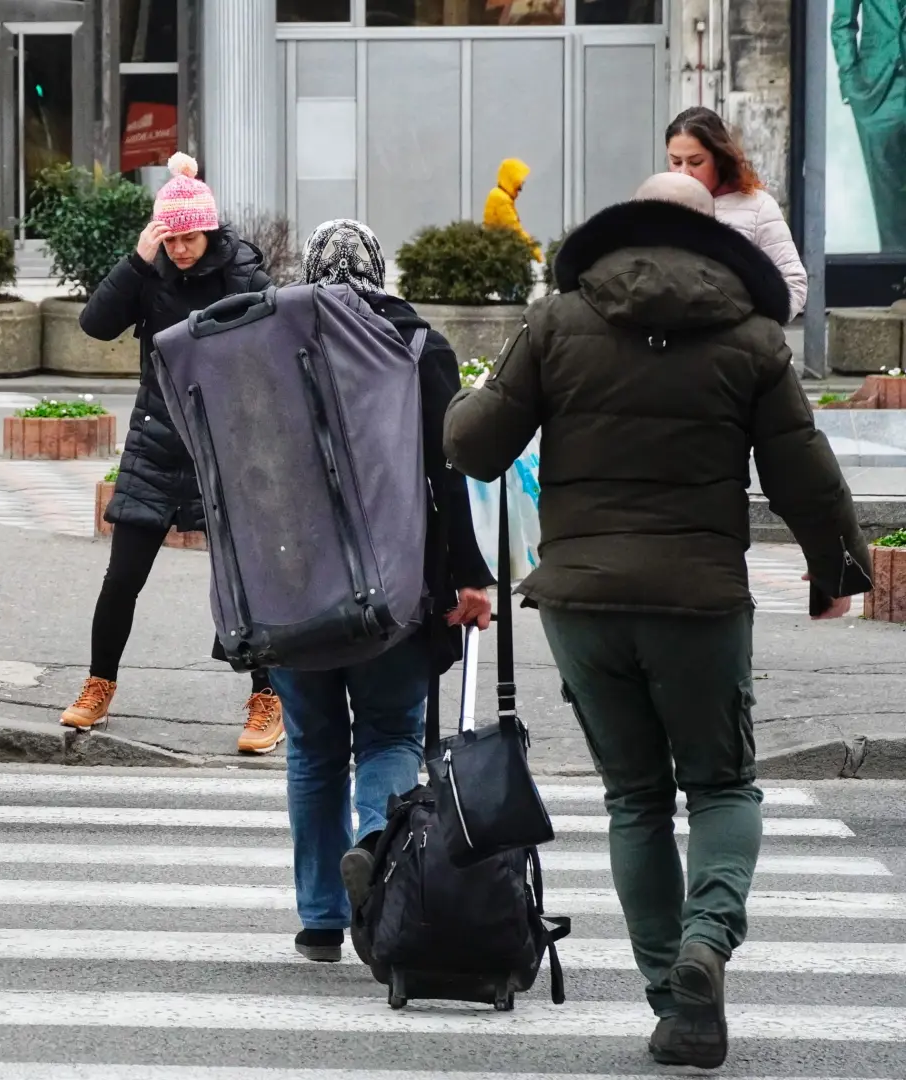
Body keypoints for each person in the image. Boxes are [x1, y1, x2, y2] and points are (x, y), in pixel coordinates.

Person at [443, 171, 872, 1069]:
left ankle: (674, 1004)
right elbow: (805, 467)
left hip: (584, 604)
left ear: (630, 221)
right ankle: (705, 946)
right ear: (713, 234)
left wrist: (462, 402)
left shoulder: (559, 320)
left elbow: (479, 445)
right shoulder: (753, 338)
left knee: (635, 800)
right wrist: (836, 573)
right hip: (700, 602)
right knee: (721, 787)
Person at [273, 219, 496, 963]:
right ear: (379, 269)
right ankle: (380, 848)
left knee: (311, 749)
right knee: (392, 737)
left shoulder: (272, 345)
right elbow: (449, 471)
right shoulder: (418, 346)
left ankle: (318, 922)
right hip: (396, 586)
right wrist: (468, 574)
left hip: (294, 587)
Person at [60, 152, 286, 755]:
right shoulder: (151, 271)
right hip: (157, 440)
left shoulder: (242, 274)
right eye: (172, 237)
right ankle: (98, 684)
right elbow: (95, 324)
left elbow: (281, 347)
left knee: (247, 578)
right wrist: (137, 260)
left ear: (208, 230)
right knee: (123, 575)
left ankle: (269, 697)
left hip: (227, 449)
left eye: (189, 237)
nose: (181, 249)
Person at [665, 107, 808, 320]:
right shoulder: (656, 202)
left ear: (719, 159)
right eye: (676, 162)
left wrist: (753, 332)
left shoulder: (757, 206)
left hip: (737, 347)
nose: (684, 172)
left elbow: (793, 283)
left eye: (695, 162)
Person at [833, 0, 906, 251]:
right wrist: (850, 81)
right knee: (888, 201)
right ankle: (897, 281)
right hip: (877, 90)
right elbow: (843, 24)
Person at [482, 158, 542, 261]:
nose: (522, 183)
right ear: (512, 177)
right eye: (520, 179)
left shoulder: (500, 195)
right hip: (499, 254)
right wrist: (536, 253)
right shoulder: (502, 199)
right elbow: (515, 230)